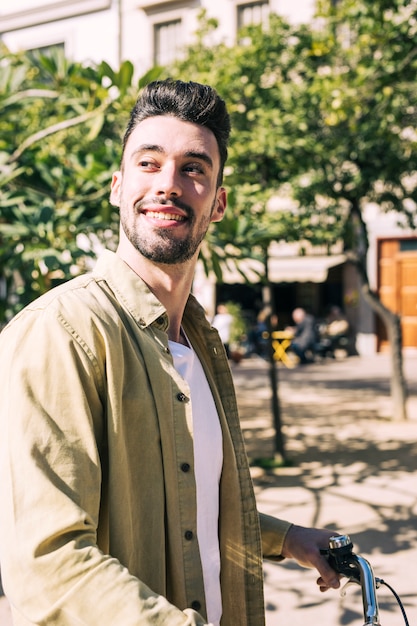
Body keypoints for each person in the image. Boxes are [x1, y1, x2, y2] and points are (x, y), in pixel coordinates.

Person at [0, 79, 341, 626]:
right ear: (117, 186)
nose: (168, 184)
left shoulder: (197, 343)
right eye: (149, 163)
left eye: (194, 168)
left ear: (219, 202)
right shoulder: (62, 332)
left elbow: (193, 506)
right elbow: (48, 563)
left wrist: (290, 539)